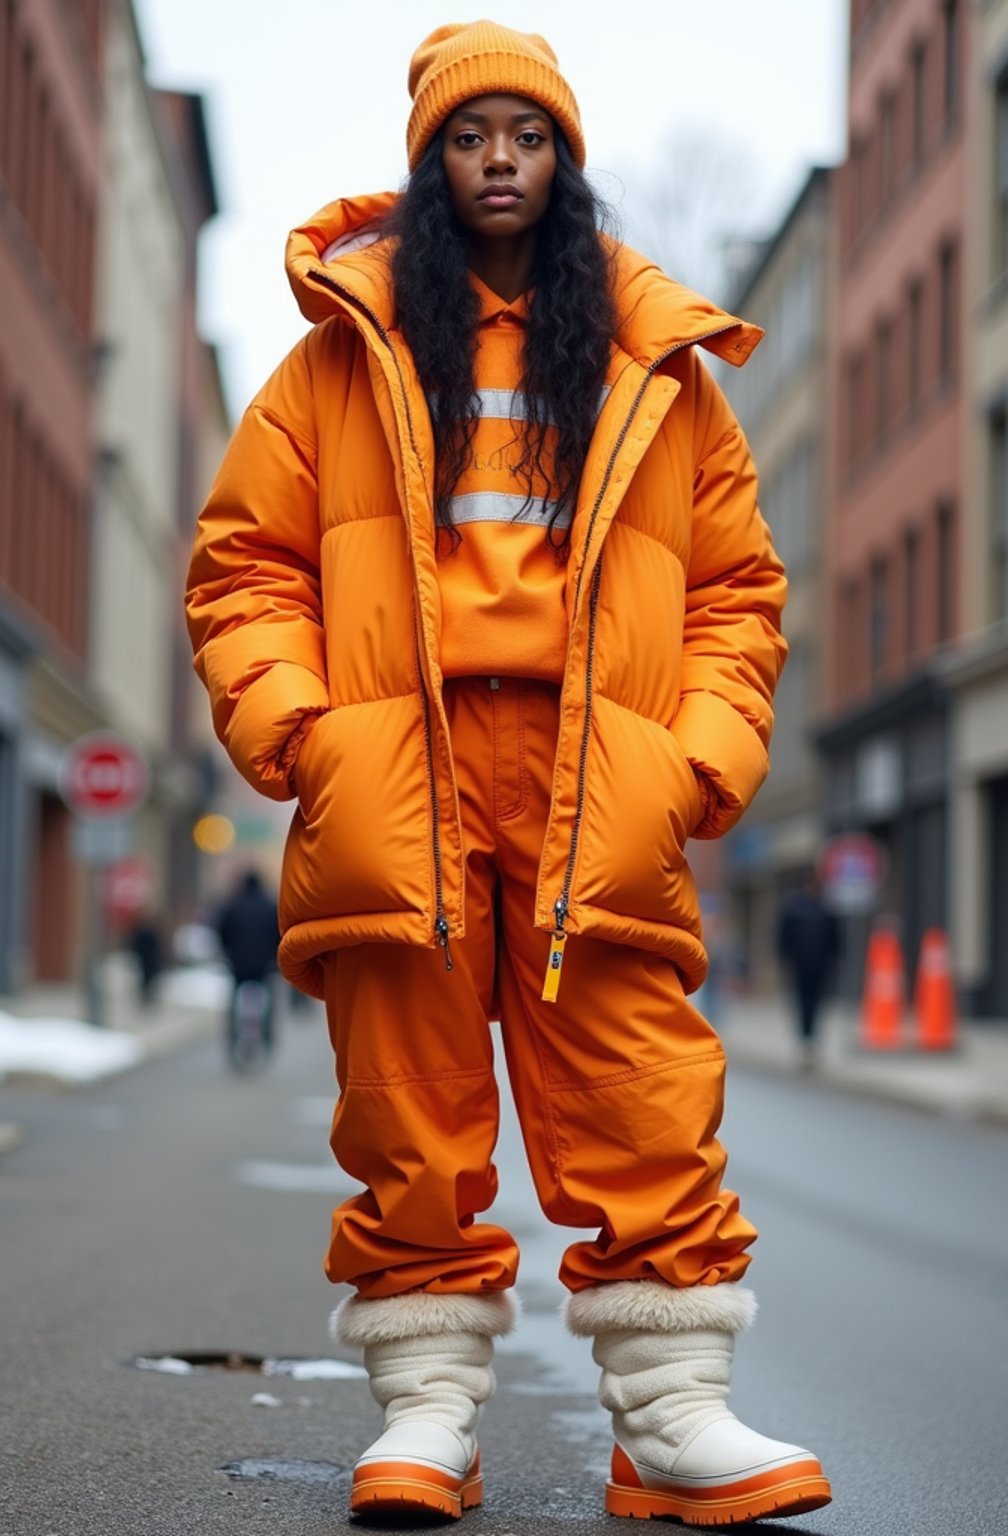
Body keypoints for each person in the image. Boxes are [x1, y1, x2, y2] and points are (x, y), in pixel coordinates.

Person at [186, 20, 831, 1526]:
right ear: (430, 161)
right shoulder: (337, 355)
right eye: (469, 137)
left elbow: (740, 592)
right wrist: (298, 727)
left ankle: (672, 1422)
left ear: (566, 161)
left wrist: (696, 761)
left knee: (641, 1087)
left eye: (526, 137)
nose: (497, 161)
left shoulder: (656, 367)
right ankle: (428, 1414)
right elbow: (243, 567)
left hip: (597, 769)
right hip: (393, 766)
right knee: (406, 1103)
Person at [776, 875, 842, 1067]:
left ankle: (811, 1040)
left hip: (820, 966)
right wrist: (785, 958)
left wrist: (835, 958)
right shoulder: (795, 909)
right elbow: (783, 936)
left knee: (816, 1003)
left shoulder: (826, 909)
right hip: (800, 965)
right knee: (802, 1002)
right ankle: (805, 1039)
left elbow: (835, 938)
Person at [215, 868, 281, 1058]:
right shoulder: (270, 906)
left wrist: (227, 953)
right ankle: (268, 1035)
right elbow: (279, 934)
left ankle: (233, 1037)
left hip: (238, 966)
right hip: (264, 966)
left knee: (234, 1001)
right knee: (269, 1001)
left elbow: (222, 933)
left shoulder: (232, 905)